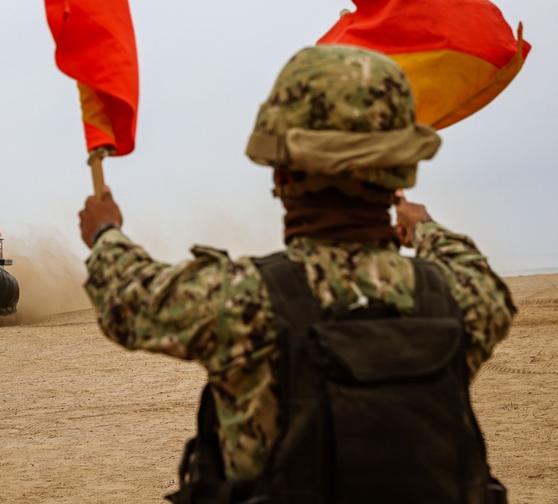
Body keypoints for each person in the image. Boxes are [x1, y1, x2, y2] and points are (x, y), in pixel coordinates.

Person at [78, 45, 515, 503]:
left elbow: (130, 299)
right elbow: (472, 269)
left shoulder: (242, 300)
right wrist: (424, 225)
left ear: (282, 175)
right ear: (400, 168)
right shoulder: (464, 299)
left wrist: (106, 232)